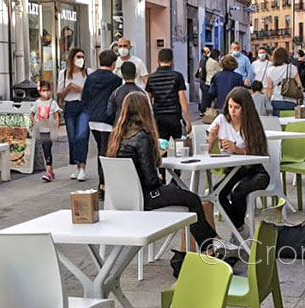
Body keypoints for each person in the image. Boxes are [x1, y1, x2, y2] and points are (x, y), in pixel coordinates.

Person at [107, 93, 222, 254]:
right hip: (147, 196)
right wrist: (157, 170)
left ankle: (211, 242)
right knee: (193, 199)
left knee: (183, 196)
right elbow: (150, 179)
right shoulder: (142, 136)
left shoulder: (116, 136)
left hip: (122, 198)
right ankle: (210, 246)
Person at [207, 87, 271, 235]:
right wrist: (212, 136)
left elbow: (258, 153)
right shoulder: (222, 120)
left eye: (237, 107)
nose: (232, 111)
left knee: (238, 192)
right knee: (216, 193)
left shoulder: (251, 123)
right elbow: (208, 149)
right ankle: (240, 228)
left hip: (254, 171)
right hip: (231, 171)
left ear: (245, 108)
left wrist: (237, 149)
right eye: (230, 106)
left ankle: (238, 231)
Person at [82, 49, 123, 195]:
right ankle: (104, 184)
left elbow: (84, 98)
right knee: (107, 153)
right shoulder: (116, 80)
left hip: (93, 119)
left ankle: (103, 184)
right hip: (108, 120)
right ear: (113, 63)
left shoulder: (91, 78)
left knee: (101, 150)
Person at [57, 47, 90, 181]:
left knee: (82, 136)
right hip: (70, 106)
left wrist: (80, 89)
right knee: (72, 138)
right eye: (78, 57)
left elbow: (91, 92)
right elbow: (59, 94)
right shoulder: (63, 74)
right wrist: (68, 89)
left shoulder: (88, 73)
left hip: (84, 106)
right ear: (72, 59)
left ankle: (83, 167)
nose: (80, 60)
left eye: (82, 57)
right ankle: (77, 166)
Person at [145, 48, 191, 140]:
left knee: (161, 147)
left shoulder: (152, 78)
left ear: (158, 60)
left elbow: (148, 100)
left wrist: (149, 119)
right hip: (175, 116)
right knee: (180, 147)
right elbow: (182, 99)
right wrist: (187, 120)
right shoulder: (177, 76)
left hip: (158, 117)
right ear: (172, 60)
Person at [31, 81, 61, 182]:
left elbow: (57, 116)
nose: (46, 93)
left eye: (48, 90)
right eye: (44, 90)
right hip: (41, 130)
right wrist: (35, 122)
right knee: (45, 149)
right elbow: (31, 114)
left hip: (50, 130)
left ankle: (48, 171)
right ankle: (51, 170)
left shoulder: (53, 103)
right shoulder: (37, 103)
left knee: (47, 148)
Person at [265, 47, 302, 116]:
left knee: (278, 123)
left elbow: (269, 88)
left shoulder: (270, 70)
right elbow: (299, 84)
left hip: (276, 99)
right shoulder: (292, 68)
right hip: (290, 100)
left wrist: (268, 101)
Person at [196, 45, 212, 114]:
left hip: (203, 80)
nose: (209, 53)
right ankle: (203, 110)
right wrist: (203, 78)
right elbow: (201, 70)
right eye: (208, 52)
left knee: (204, 95)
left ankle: (202, 109)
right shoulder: (204, 60)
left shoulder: (204, 59)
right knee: (205, 96)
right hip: (204, 80)